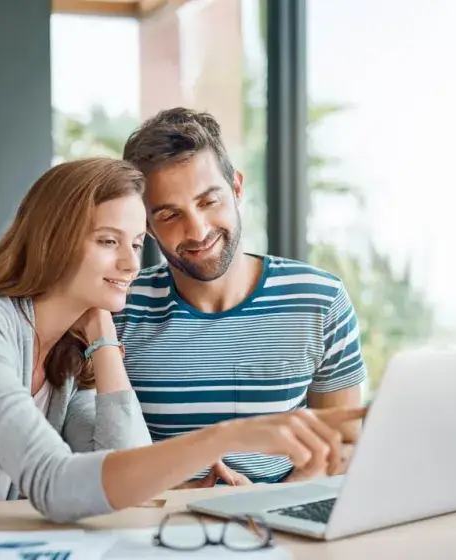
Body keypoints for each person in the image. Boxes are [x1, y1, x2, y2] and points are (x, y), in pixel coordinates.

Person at [0, 157, 366, 523]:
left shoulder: (68, 359)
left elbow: (125, 475)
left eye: (137, 243)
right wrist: (225, 436)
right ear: (51, 241)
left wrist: (101, 332)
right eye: (107, 241)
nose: (130, 262)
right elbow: (55, 484)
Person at [118, 108, 368, 488]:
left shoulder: (320, 299)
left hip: (281, 525)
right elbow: (96, 455)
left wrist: (267, 505)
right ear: (147, 226)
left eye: (208, 201)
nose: (197, 231)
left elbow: (345, 444)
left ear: (236, 188)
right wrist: (181, 495)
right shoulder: (120, 309)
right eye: (170, 215)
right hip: (159, 526)